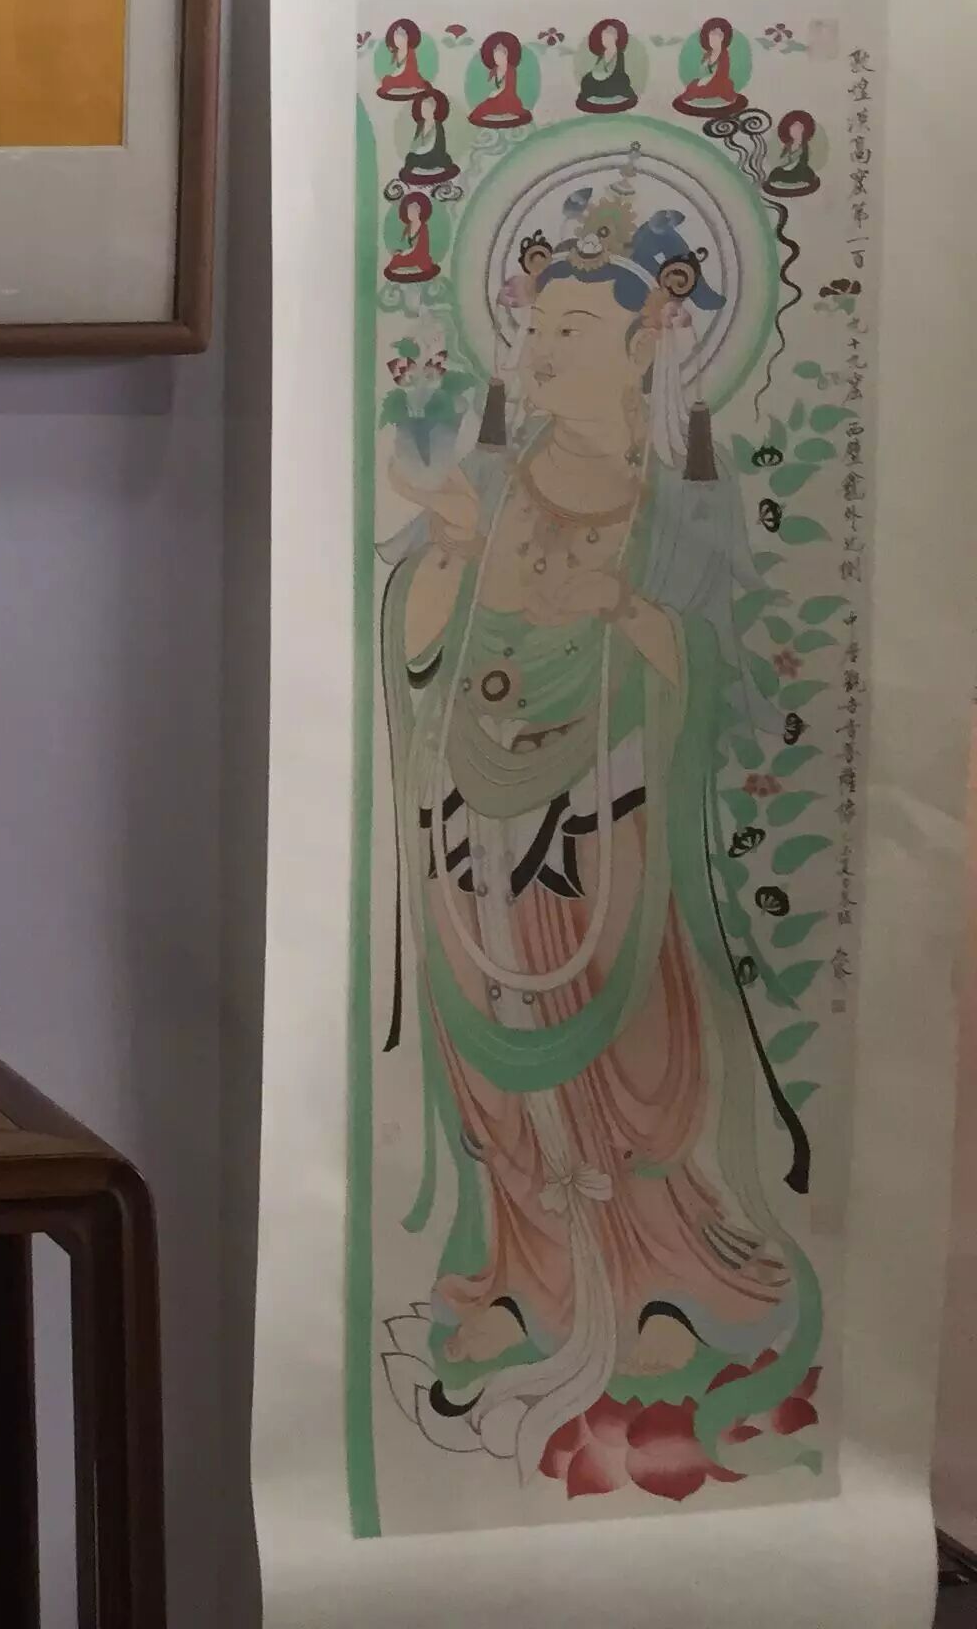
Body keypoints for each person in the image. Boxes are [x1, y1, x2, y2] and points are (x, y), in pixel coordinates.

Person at [376, 182, 817, 1489]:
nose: (542, 351)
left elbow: (722, 671)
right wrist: (445, 560)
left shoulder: (677, 499)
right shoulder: (487, 480)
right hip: (473, 820)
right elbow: (414, 647)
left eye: (571, 328)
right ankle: (525, 1276)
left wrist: (624, 612)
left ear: (645, 343)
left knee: (633, 1057)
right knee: (490, 1062)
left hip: (608, 812)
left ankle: (660, 1277)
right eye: (536, 327)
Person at [575, 17, 638, 114]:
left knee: (618, 83)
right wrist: (595, 75)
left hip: (613, 79)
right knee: (587, 81)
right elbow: (598, 69)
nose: (606, 39)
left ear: (616, 37)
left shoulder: (618, 54)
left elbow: (615, 70)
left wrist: (603, 75)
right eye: (603, 36)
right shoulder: (603, 53)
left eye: (609, 36)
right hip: (600, 77)